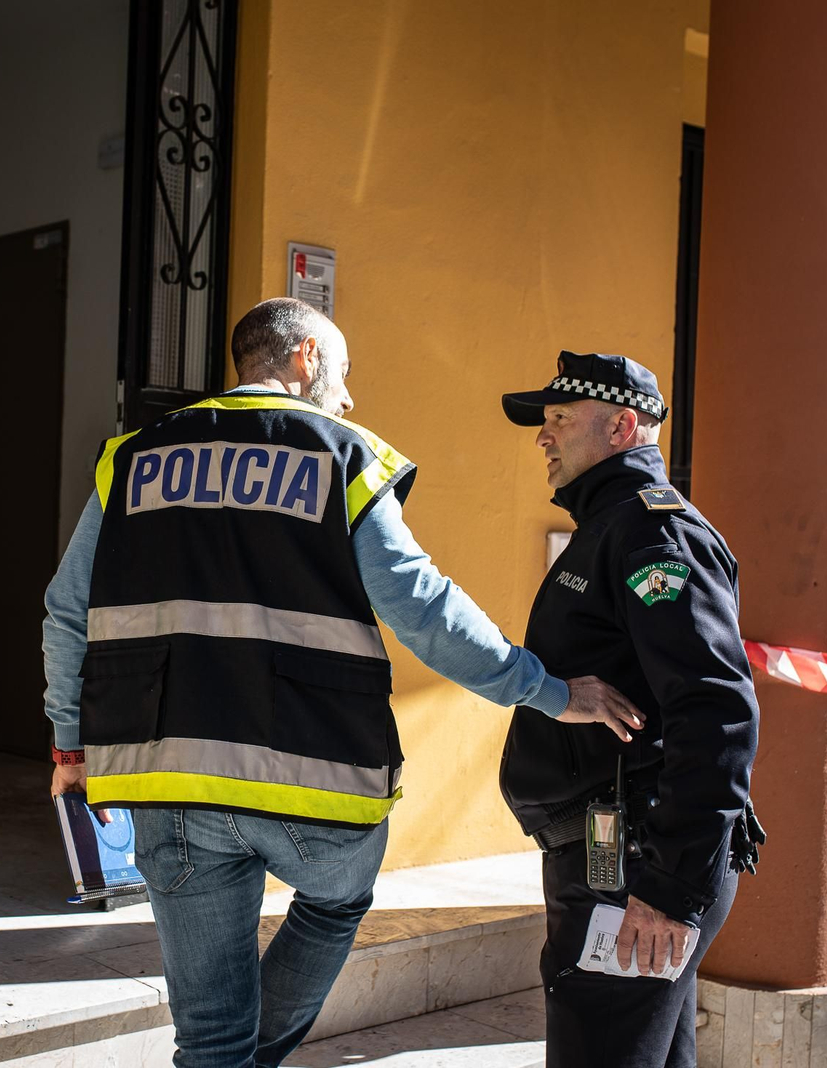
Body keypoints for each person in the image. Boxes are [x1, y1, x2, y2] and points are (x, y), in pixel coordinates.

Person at [41, 298, 644, 1068]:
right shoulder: (341, 453)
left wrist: (70, 746)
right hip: (310, 774)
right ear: (302, 361)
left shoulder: (129, 458)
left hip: (169, 777)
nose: (350, 397)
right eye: (345, 373)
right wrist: (552, 692)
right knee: (334, 904)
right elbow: (423, 610)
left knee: (208, 1040)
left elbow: (66, 612)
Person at [498, 351, 763, 1068]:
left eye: (559, 419)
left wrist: (671, 888)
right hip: (616, 851)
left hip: (631, 859)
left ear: (621, 426)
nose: (542, 437)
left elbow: (717, 710)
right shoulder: (613, 525)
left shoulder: (652, 533)